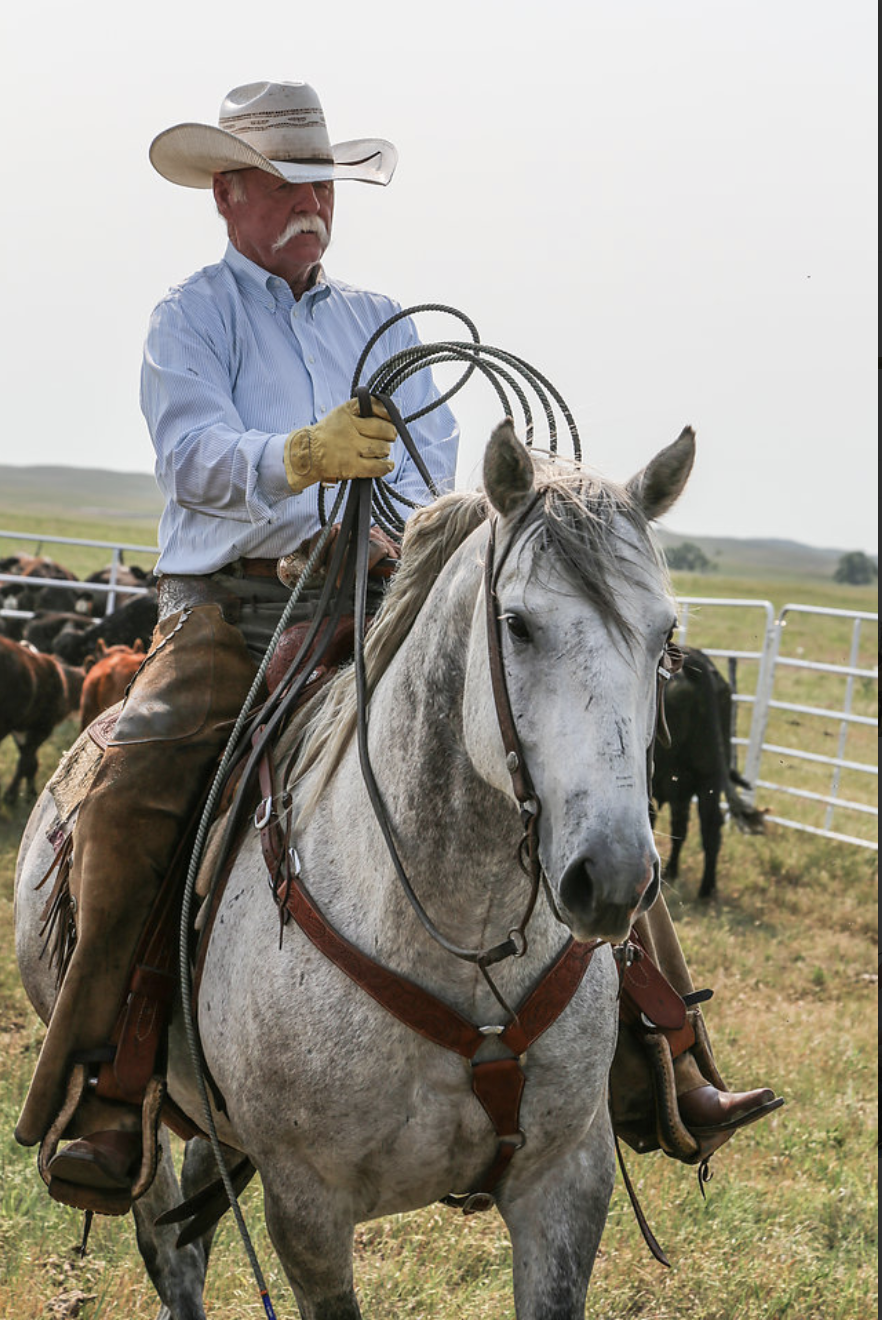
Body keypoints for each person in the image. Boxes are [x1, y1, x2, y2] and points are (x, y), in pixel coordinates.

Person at [15, 80, 780, 1213]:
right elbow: (191, 459)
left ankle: (661, 1050)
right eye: (284, 181)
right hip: (233, 609)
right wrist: (302, 458)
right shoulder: (193, 315)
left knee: (554, 761)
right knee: (140, 783)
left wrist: (392, 518)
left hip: (386, 597)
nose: (312, 202)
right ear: (229, 193)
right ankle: (114, 1084)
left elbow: (431, 480)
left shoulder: (384, 321)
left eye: (324, 181)